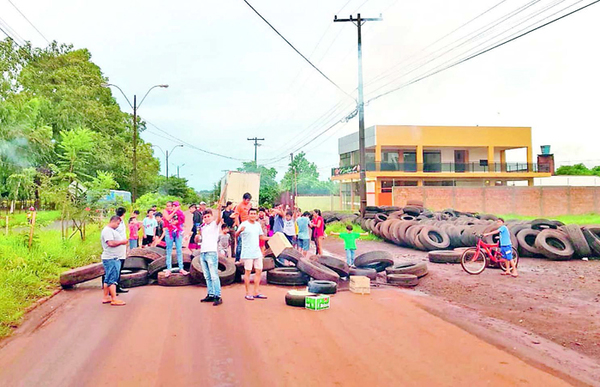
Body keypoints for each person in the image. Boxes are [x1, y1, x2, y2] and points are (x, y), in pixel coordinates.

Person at [236, 208, 270, 300]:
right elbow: (236, 235)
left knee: (259, 271)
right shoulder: (244, 224)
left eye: (254, 213)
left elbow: (261, 237)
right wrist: (240, 231)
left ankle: (256, 291)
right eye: (251, 213)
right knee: (248, 271)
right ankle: (247, 292)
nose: (253, 215)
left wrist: (270, 238)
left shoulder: (258, 225)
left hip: (257, 251)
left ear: (256, 215)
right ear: (248, 214)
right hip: (247, 252)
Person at [199, 206, 224, 306]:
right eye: (205, 217)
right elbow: (200, 240)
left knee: (214, 276)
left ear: (212, 217)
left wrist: (219, 209)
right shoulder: (203, 227)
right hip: (203, 252)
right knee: (207, 276)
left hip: (211, 252)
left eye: (208, 216)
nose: (206, 218)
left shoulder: (215, 225)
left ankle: (218, 296)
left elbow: (219, 219)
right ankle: (210, 294)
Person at [101, 216, 128, 306]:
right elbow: (110, 243)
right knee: (112, 278)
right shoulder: (107, 231)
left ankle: (106, 297)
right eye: (118, 223)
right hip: (111, 258)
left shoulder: (110, 231)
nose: (118, 225)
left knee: (108, 278)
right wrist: (122, 242)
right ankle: (114, 299)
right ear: (113, 221)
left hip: (112, 257)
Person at [163, 201, 188, 277]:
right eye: (168, 206)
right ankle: (168, 269)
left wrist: (178, 221)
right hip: (169, 231)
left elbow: (182, 220)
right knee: (169, 250)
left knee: (179, 249)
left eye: (171, 206)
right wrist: (174, 211)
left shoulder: (179, 212)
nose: (169, 207)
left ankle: (181, 268)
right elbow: (167, 218)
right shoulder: (165, 211)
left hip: (177, 231)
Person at [232, 192, 253, 261]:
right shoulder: (239, 206)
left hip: (249, 225)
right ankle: (237, 259)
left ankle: (247, 258)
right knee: (240, 243)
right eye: (247, 200)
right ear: (243, 199)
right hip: (242, 225)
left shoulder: (250, 205)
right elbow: (236, 216)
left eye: (249, 200)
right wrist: (239, 226)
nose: (248, 201)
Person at [114, 207, 129, 294]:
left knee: (120, 266)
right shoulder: (117, 222)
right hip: (118, 246)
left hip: (122, 246)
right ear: (124, 213)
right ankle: (113, 287)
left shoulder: (121, 221)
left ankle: (117, 286)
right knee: (116, 267)